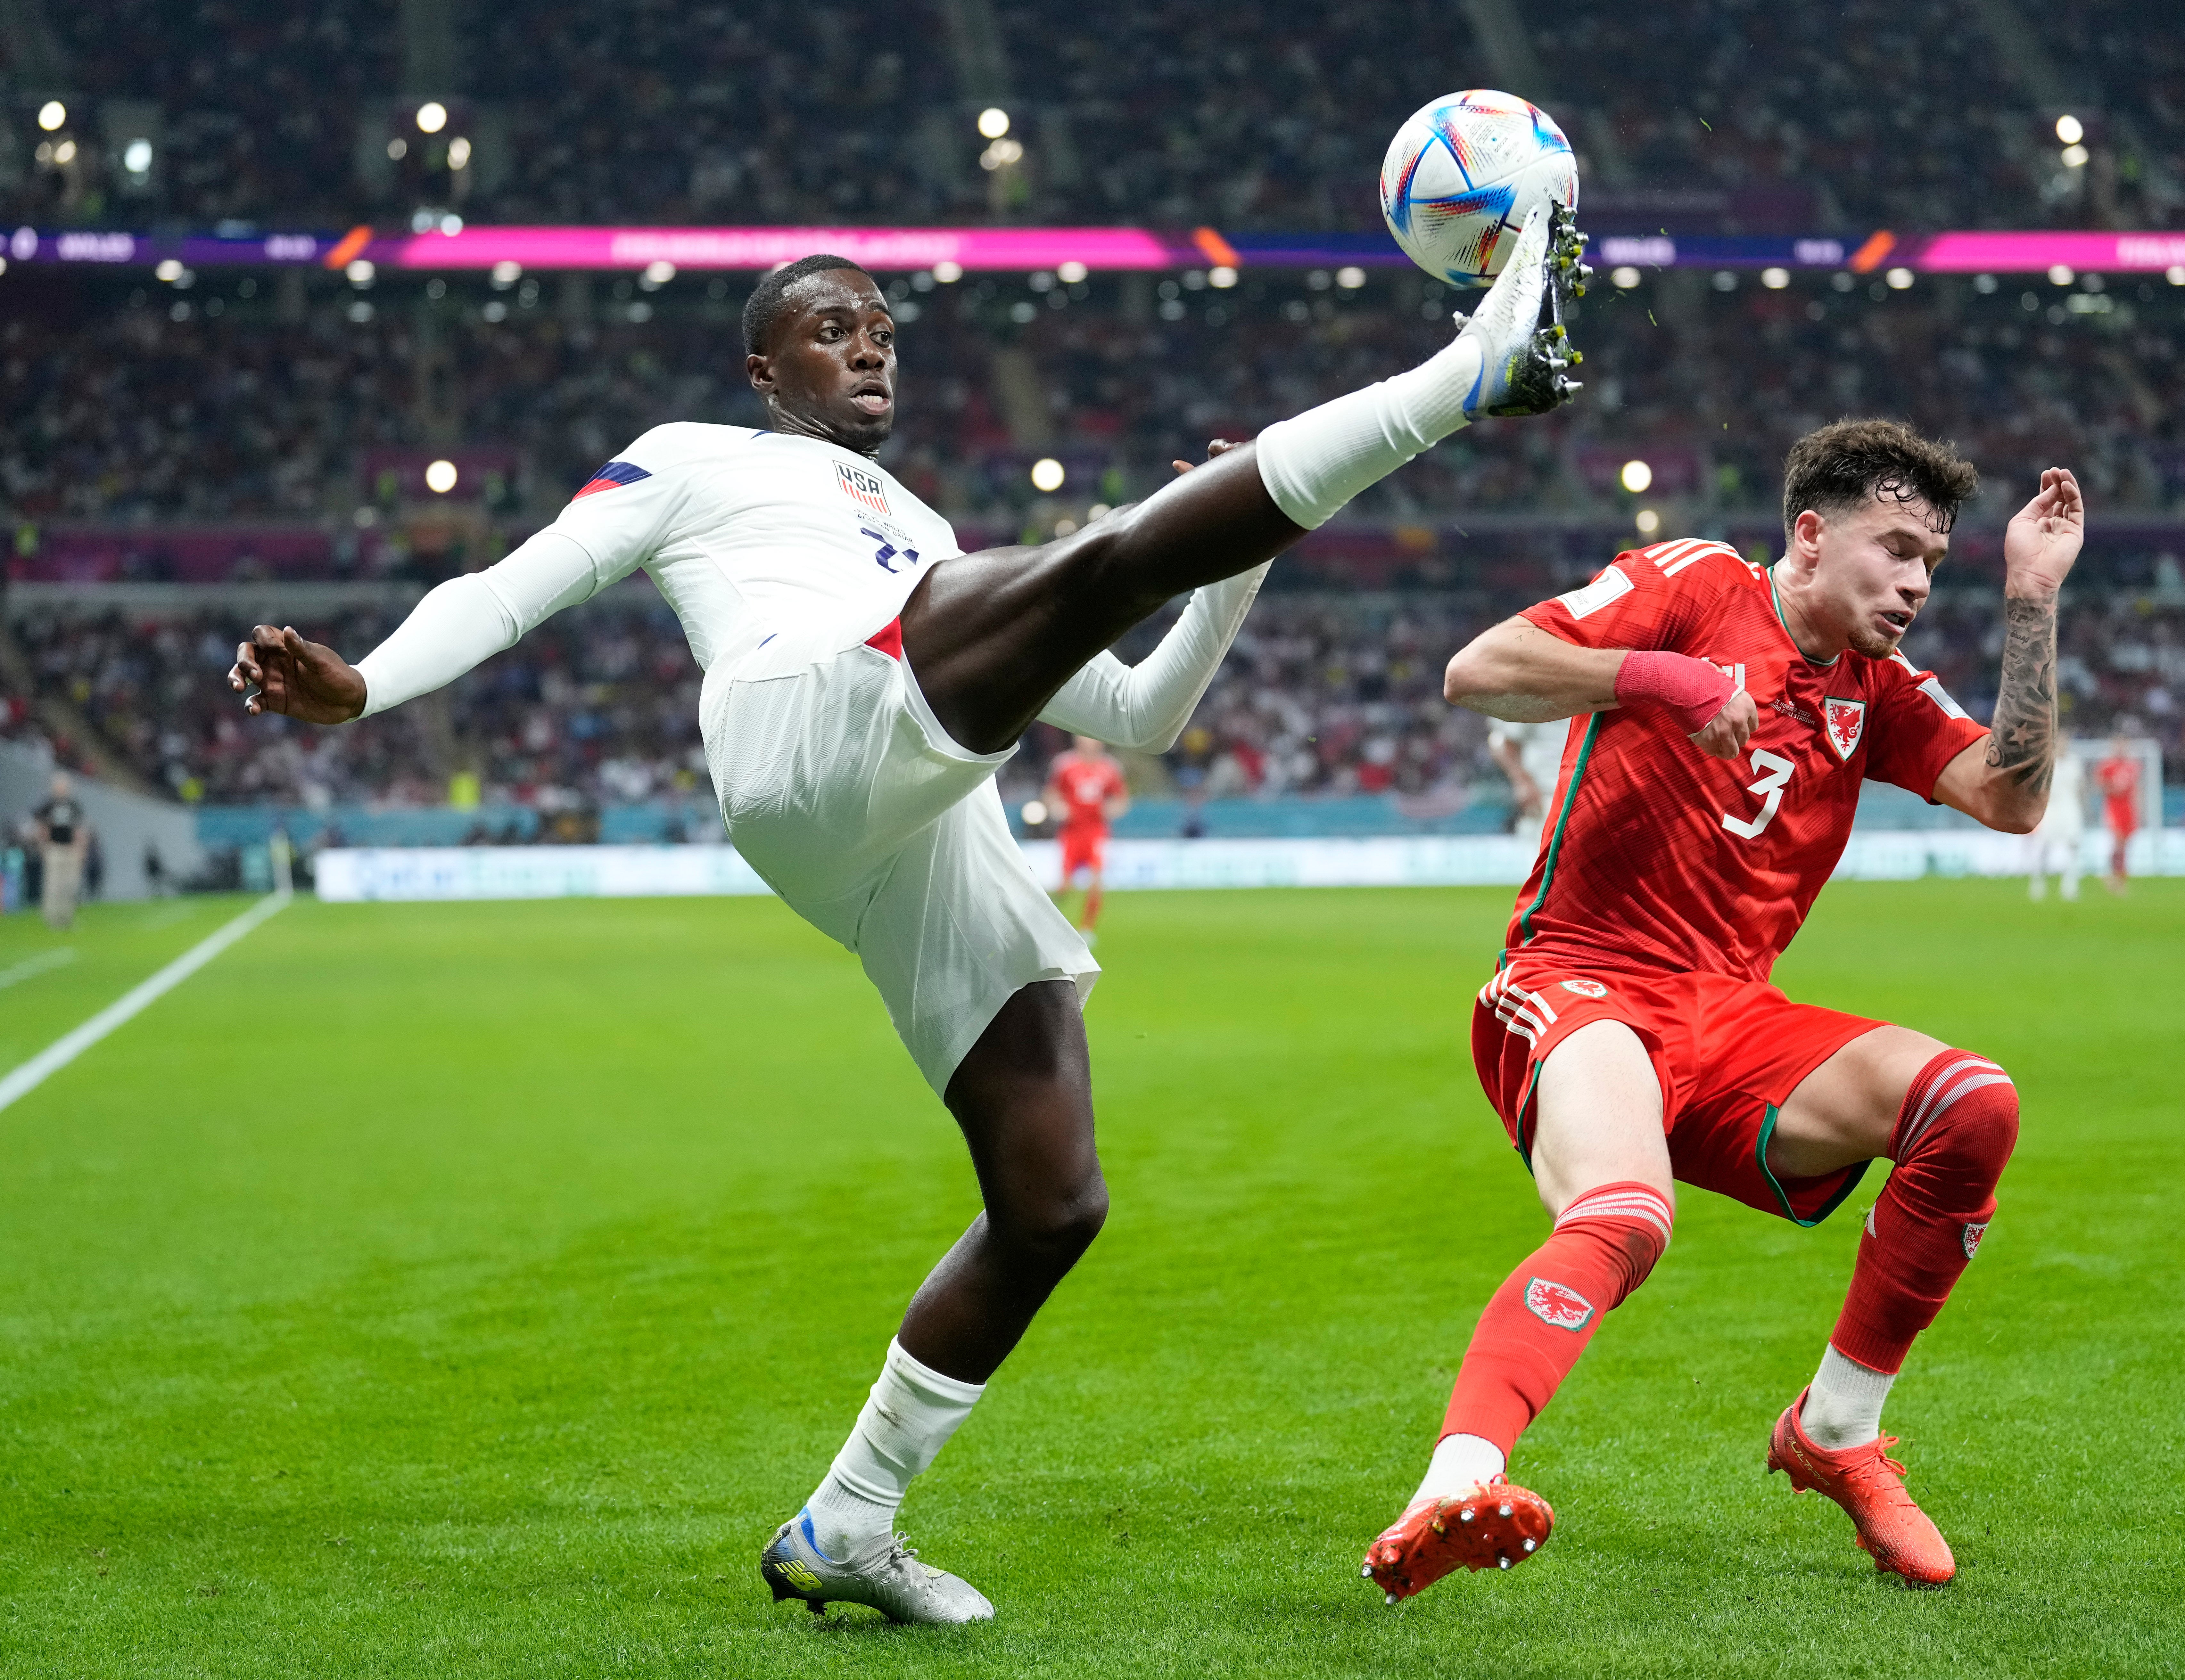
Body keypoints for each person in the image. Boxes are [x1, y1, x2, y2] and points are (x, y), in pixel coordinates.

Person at [227, 211, 1590, 1625]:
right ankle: (1468, 370)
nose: (870, 345)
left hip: (918, 825)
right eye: (833, 328)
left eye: (882, 328)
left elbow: (1143, 714)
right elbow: (513, 586)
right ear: (765, 368)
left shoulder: (926, 532)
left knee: (1052, 1199)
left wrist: (1229, 563)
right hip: (798, 720)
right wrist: (367, 685)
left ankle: (846, 1522)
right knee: (1098, 558)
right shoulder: (693, 456)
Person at [1362, 421, 2083, 1601]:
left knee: (1970, 1103)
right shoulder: (1697, 583)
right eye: (1895, 548)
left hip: (1733, 1017)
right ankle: (1451, 1485)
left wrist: (2031, 598)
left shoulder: (1877, 687)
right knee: (1627, 1213)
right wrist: (1663, 675)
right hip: (1583, 978)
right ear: (1812, 534)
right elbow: (1479, 668)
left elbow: (2012, 800)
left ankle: (1837, 1427)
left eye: (1933, 563)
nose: (1914, 583)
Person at [1044, 733, 1129, 939]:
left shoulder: (1110, 768)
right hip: (1072, 831)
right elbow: (1051, 793)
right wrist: (1058, 808)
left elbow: (1122, 799)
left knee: (1096, 883)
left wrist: (1112, 809)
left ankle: (1087, 930)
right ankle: (1047, 922)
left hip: (1097, 831)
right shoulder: (1065, 765)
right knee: (1065, 886)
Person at [1487, 716, 1573, 852]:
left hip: (1580, 791)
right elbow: (1501, 742)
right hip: (1546, 795)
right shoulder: (1540, 702)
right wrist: (1524, 783)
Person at [2026, 743, 2085, 901]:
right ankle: (2038, 883)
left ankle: (2070, 885)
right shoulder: (2047, 764)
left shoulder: (2074, 763)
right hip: (2051, 810)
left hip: (2070, 809)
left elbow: (2081, 788)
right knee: (2043, 847)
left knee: (2073, 847)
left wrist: (2084, 807)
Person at [33, 773, 88, 931]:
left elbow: (79, 829)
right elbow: (41, 826)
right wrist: (43, 845)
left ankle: (66, 917)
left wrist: (81, 849)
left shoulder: (74, 806)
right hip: (55, 848)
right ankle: (52, 917)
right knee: (53, 884)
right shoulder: (49, 805)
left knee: (69, 885)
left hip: (70, 849)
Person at [2094, 735, 2142, 895]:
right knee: (2118, 843)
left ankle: (2118, 879)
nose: (2121, 749)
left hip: (2129, 809)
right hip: (2113, 808)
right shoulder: (2107, 766)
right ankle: (2115, 877)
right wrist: (2112, 789)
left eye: (2124, 745)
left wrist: (2139, 809)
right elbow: (2099, 784)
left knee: (2125, 846)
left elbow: (2136, 789)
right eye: (2118, 745)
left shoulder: (2132, 766)